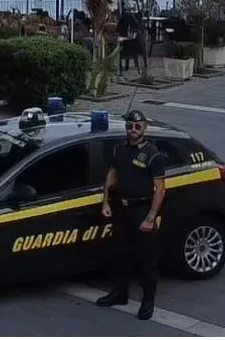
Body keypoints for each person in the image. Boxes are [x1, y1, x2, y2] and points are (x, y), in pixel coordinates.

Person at [96, 109, 167, 320]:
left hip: (142, 211)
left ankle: (148, 302)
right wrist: (105, 201)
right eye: (129, 126)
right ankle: (119, 294)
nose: (133, 130)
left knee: (146, 261)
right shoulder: (120, 150)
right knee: (119, 255)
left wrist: (150, 218)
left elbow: (160, 189)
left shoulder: (153, 155)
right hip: (121, 209)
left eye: (137, 126)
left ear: (144, 128)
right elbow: (112, 174)